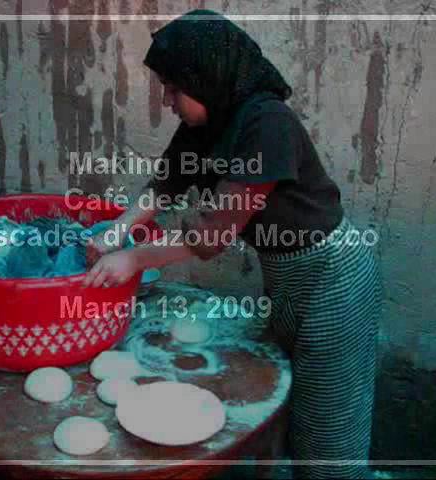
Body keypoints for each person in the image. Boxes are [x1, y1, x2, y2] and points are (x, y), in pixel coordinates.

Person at [82, 9, 382, 479]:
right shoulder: (210, 121)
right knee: (291, 408)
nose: (167, 100)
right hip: (288, 274)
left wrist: (135, 257)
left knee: (328, 432)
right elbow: (166, 185)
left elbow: (213, 235)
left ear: (206, 76)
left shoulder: (267, 124)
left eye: (173, 88)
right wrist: (119, 229)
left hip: (334, 277)